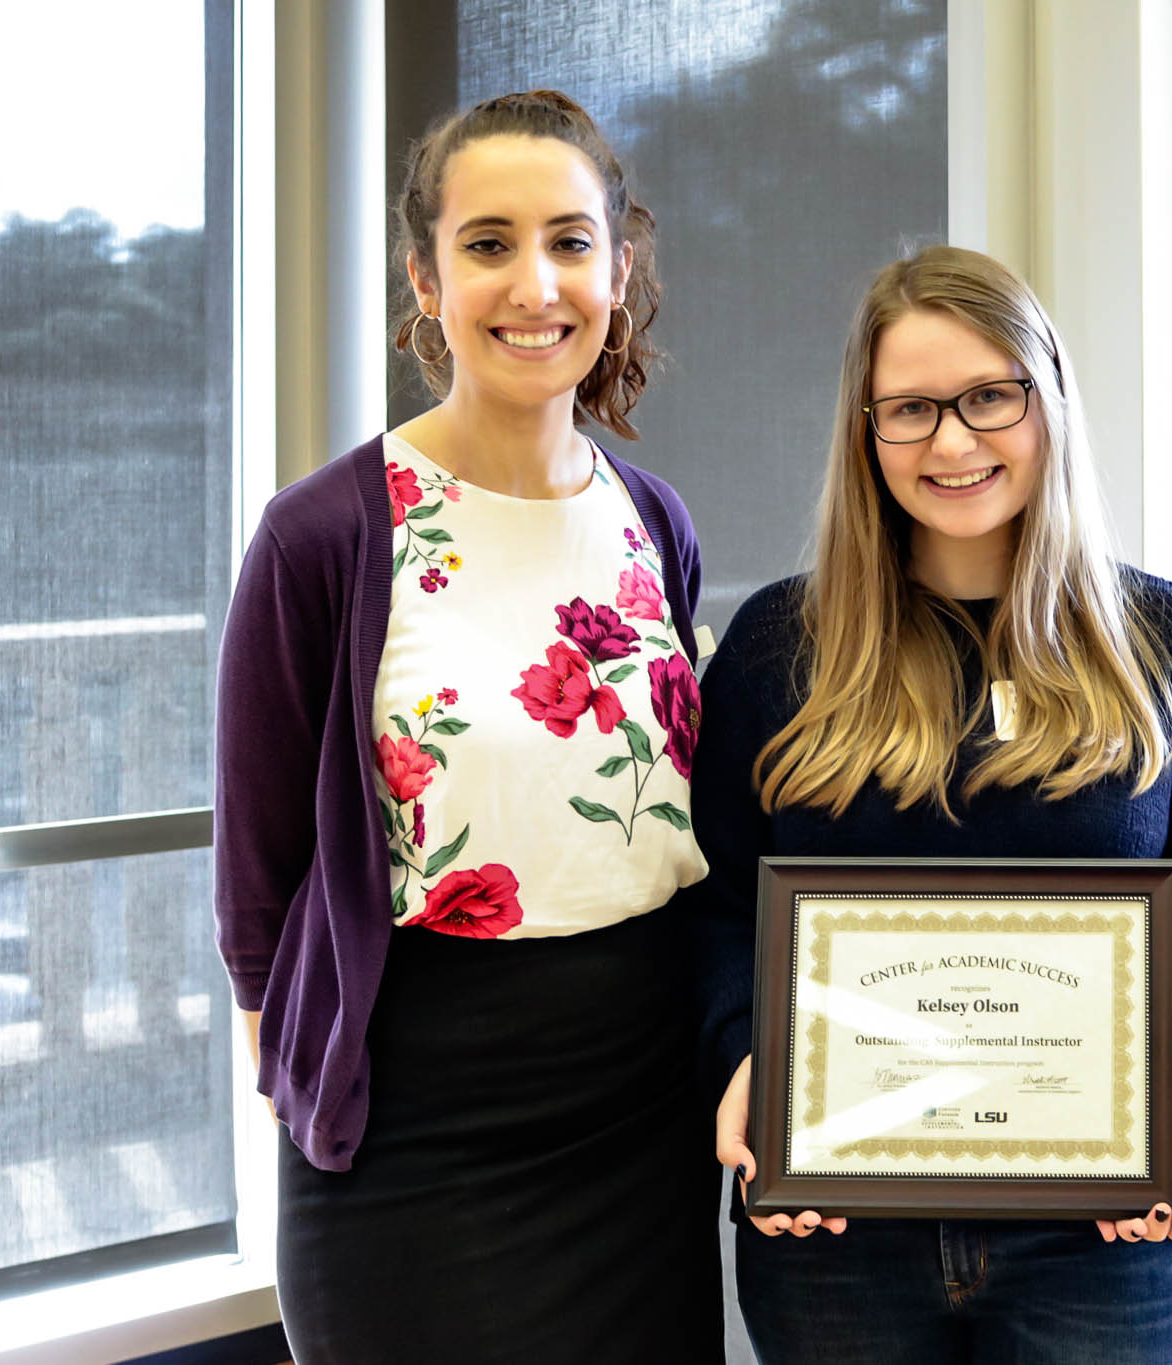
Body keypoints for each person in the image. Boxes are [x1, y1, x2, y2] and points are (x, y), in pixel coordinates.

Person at [688, 245, 1172, 1363]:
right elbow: (718, 905)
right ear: (865, 432)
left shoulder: (1167, 646)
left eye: (988, 397)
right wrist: (744, 1063)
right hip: (833, 1235)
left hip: (1100, 1237)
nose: (951, 443)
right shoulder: (780, 650)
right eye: (909, 409)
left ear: (1047, 398)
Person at [213, 90, 723, 1363]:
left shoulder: (651, 522)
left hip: (640, 1110)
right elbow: (260, 875)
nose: (532, 282)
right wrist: (297, 1078)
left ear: (617, 268)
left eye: (568, 239)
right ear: (425, 281)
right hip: (410, 1119)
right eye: (486, 243)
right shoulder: (323, 535)